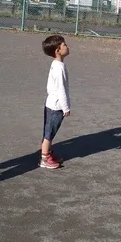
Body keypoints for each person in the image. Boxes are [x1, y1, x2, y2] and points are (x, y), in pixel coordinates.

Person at [40, 34, 71, 169]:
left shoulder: (56, 64)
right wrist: (66, 108)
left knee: (49, 131)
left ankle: (48, 153)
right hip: (55, 106)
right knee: (49, 133)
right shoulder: (59, 68)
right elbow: (61, 90)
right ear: (57, 50)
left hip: (51, 103)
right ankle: (44, 158)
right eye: (64, 45)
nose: (67, 46)